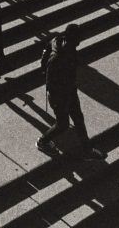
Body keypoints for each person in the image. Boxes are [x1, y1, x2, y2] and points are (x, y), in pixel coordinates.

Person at [36, 23, 106, 160]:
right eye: (78, 38)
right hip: (60, 96)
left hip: (69, 91)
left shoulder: (60, 42)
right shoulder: (58, 58)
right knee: (63, 124)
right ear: (73, 38)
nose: (80, 41)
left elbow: (45, 54)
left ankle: (87, 150)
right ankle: (43, 141)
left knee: (78, 119)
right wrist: (59, 98)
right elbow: (50, 81)